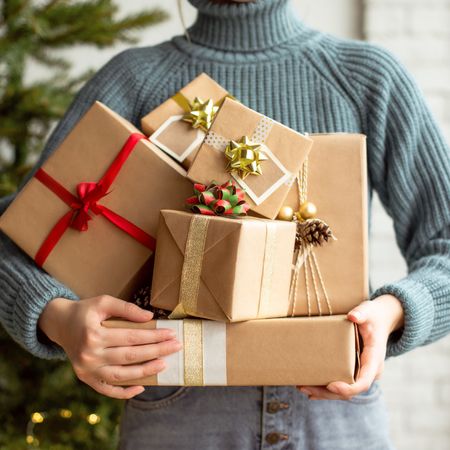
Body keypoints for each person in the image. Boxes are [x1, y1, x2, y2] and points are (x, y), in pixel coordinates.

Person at [1, 0, 449, 448]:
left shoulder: (366, 76)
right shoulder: (136, 80)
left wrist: (393, 312)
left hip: (334, 419)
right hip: (179, 419)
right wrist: (58, 319)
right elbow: (21, 230)